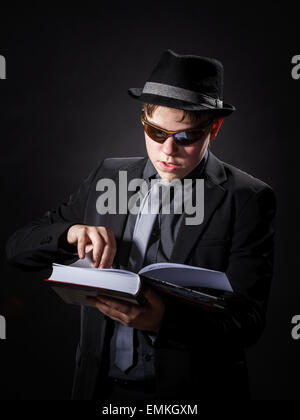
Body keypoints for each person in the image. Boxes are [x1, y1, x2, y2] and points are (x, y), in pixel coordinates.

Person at [6, 49, 276, 401]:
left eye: (186, 137)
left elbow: (248, 322)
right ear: (143, 119)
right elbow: (18, 249)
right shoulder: (108, 175)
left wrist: (165, 322)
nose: (168, 150)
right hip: (101, 390)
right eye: (156, 131)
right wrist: (69, 233)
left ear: (214, 128)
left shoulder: (248, 197)